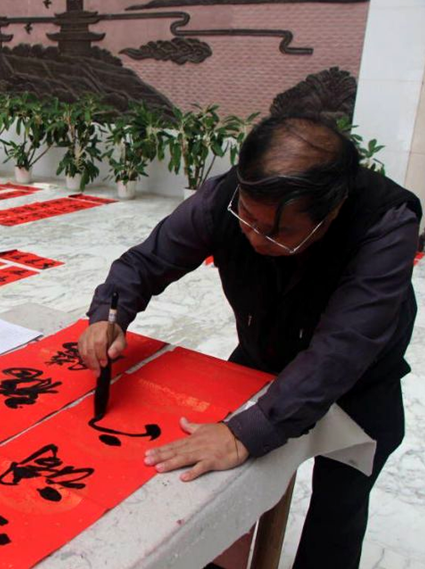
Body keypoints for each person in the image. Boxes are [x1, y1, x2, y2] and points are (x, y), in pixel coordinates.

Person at [79, 114, 421, 568]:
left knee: (340, 505)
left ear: (332, 211)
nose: (257, 238)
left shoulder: (385, 222)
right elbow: (147, 261)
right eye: (249, 219)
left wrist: (247, 433)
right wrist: (109, 316)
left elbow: (344, 348)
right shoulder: (223, 198)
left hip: (360, 379)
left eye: (279, 232)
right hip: (263, 353)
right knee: (219, 489)